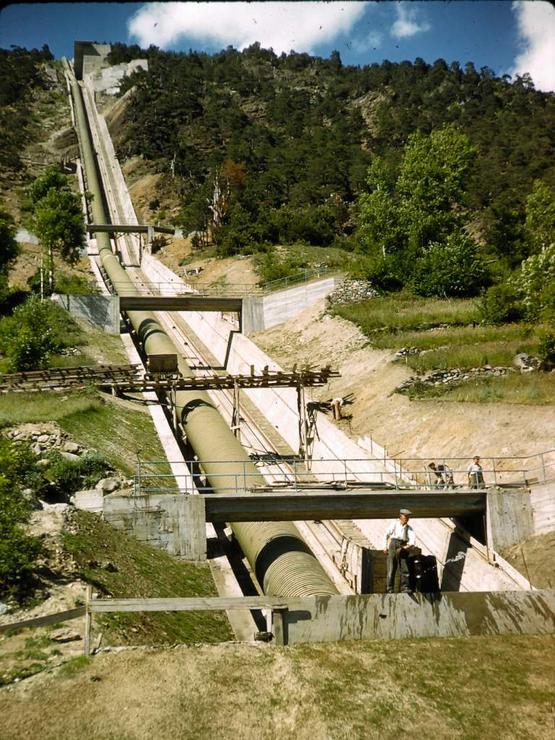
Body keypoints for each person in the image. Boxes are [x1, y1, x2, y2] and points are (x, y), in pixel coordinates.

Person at [383, 508, 416, 593]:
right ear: (401, 516)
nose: (407, 519)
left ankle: (405, 588)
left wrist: (404, 548)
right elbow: (386, 534)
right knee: (391, 567)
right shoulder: (394, 524)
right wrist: (385, 546)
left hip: (404, 545)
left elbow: (412, 542)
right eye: (405, 517)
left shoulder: (409, 528)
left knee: (405, 568)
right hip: (393, 544)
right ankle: (390, 589)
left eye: (408, 517)